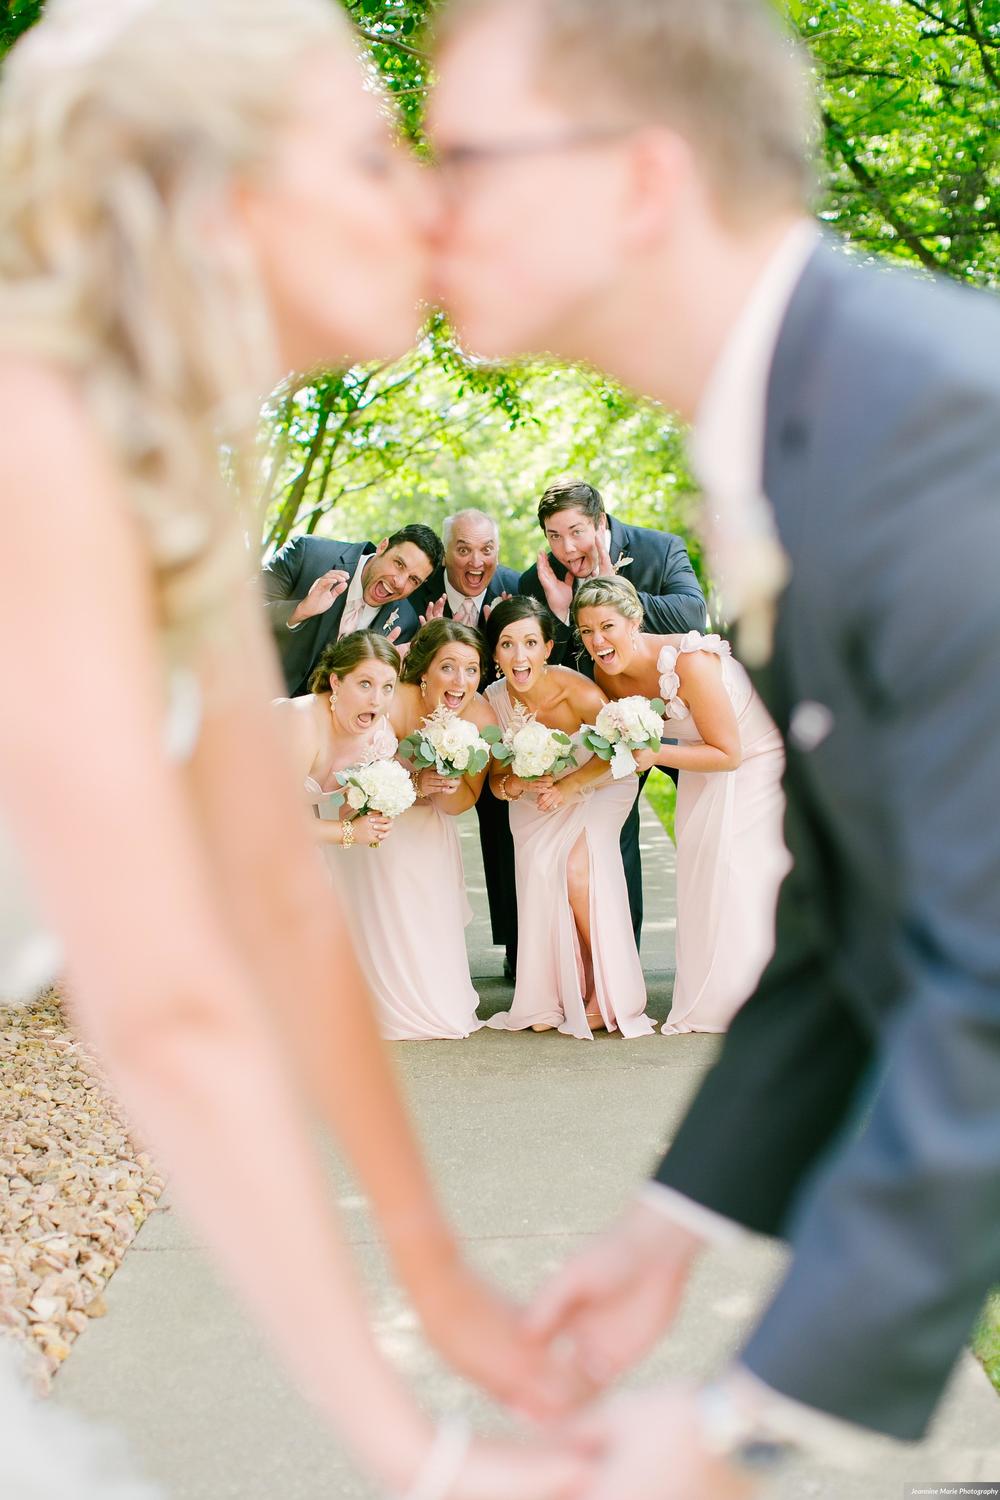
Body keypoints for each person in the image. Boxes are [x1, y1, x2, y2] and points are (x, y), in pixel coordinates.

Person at [0, 3, 592, 1496]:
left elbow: (274, 912)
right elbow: (174, 1012)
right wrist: (421, 1453)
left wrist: (434, 1269)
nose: (425, 199)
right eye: (375, 156)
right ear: (221, 201)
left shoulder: (168, 485)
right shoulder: (33, 438)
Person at [431, 0, 1000, 1489]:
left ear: (639, 180)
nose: (428, 212)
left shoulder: (939, 433)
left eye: (469, 162)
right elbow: (855, 904)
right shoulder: (803, 428)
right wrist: (675, 1222)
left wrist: (742, 1421)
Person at [574, 578, 789, 1034]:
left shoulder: (690, 662)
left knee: (734, 866)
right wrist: (570, 782)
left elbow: (729, 754)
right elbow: (625, 749)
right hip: (700, 760)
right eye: (586, 630)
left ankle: (756, 995)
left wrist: (656, 754)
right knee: (699, 869)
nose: (597, 641)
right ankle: (714, 988)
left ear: (634, 622)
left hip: (757, 757)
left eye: (607, 626)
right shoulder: (604, 673)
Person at [523, 480, 705, 949]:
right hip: (611, 723)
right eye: (553, 536)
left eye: (576, 532)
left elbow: (693, 614)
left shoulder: (659, 549)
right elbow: (552, 664)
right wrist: (564, 617)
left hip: (683, 712)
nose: (566, 548)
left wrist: (609, 597)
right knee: (610, 832)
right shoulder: (537, 582)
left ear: (601, 523)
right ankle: (621, 961)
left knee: (709, 822)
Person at [484, 597, 654, 1040]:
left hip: (599, 787)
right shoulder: (493, 701)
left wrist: (569, 786)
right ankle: (563, 989)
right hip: (535, 804)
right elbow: (497, 782)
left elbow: (622, 753)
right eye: (507, 644)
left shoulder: (577, 691)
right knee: (545, 871)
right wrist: (517, 786)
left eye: (529, 643)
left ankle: (605, 984)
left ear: (547, 647)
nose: (519, 656)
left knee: (577, 868)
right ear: (495, 653)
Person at [316, 617, 490, 1042]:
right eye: (448, 667)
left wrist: (442, 786)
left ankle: (431, 999)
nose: (460, 680)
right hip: (372, 820)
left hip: (429, 823)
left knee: (429, 900)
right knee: (378, 901)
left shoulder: (480, 715)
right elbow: (353, 771)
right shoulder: (391, 702)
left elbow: (463, 801)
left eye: (471, 669)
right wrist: (415, 783)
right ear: (424, 671)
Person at [411, 508, 521, 980]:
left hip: (494, 724)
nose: (476, 562)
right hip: (423, 722)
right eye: (463, 550)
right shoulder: (416, 592)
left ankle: (521, 948)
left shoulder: (516, 587)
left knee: (509, 830)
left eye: (487, 550)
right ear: (445, 554)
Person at [262, 524, 445, 698]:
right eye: (398, 564)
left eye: (413, 580)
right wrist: (300, 610)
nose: (399, 582)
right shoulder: (308, 553)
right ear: (383, 546)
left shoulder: (405, 622)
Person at [273, 629, 402, 852]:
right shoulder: (302, 723)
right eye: (365, 684)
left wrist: (370, 816)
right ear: (336, 682)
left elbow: (348, 810)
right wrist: (349, 832)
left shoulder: (381, 740)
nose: (376, 700)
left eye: (387, 687)